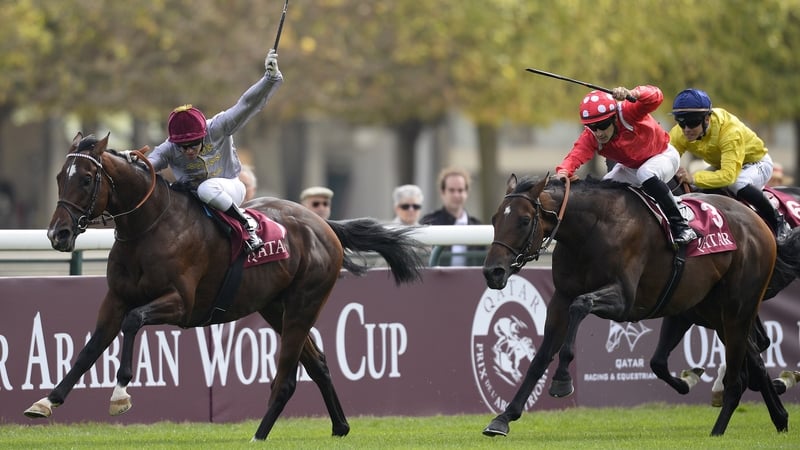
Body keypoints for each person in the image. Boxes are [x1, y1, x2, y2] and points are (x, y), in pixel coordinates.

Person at [146, 50, 282, 253]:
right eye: (182, 146)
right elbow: (148, 164)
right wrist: (129, 159)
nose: (188, 151)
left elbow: (246, 104)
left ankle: (247, 225)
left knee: (206, 189)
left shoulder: (218, 127)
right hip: (193, 199)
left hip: (230, 187)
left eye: (193, 144)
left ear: (203, 134)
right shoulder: (169, 148)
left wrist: (269, 78)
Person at [555, 86, 697, 246]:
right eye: (592, 127)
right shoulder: (591, 136)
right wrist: (563, 172)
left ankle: (681, 226)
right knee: (605, 188)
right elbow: (575, 156)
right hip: (632, 168)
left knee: (645, 173)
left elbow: (657, 96)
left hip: (663, 155)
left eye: (603, 124)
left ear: (614, 117)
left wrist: (634, 93)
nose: (599, 133)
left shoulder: (627, 112)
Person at [670, 88, 789, 240]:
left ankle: (778, 221)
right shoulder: (679, 133)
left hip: (755, 163)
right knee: (694, 189)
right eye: (681, 122)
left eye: (692, 122)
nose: (686, 129)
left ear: (707, 119)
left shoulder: (729, 131)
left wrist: (693, 177)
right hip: (722, 163)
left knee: (737, 183)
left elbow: (728, 176)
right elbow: (667, 159)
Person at [421, 168, 483, 266]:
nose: (456, 195)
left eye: (460, 190)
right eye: (451, 190)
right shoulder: (429, 222)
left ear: (466, 193)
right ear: (442, 192)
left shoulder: (477, 227)